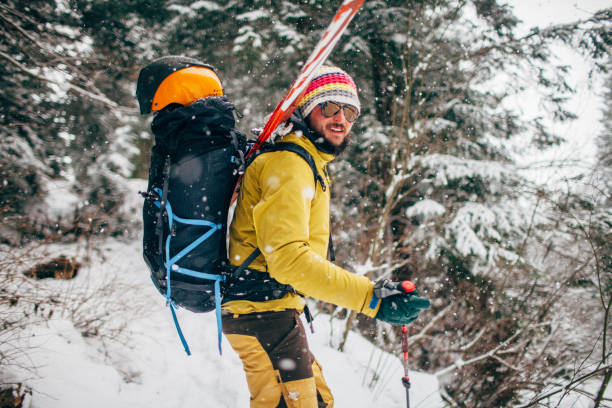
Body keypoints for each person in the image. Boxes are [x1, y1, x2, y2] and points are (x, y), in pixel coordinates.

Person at [222, 66, 431, 408]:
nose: (341, 118)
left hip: (271, 314)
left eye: (350, 112)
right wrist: (370, 299)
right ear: (306, 110)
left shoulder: (306, 163)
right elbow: (288, 260)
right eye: (329, 106)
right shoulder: (289, 164)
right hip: (263, 314)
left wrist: (374, 291)